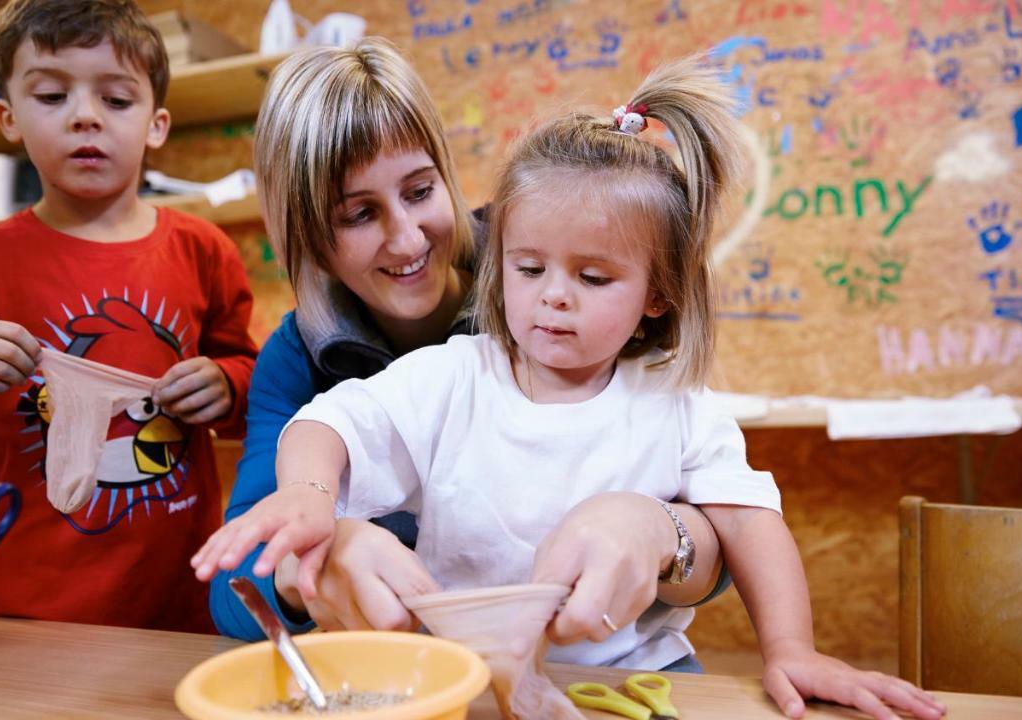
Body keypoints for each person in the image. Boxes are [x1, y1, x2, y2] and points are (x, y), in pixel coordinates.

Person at [193, 56, 948, 720]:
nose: (555, 296)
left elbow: (748, 526)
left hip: (641, 682)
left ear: (658, 294)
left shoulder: (672, 399)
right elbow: (325, 430)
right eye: (358, 215)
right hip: (467, 682)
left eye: (592, 278)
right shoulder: (447, 376)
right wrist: (310, 512)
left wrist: (786, 644)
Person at [208, 37, 727, 645]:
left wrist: (659, 529)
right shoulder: (297, 358)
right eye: (358, 215)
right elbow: (232, 591)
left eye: (421, 191)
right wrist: (312, 560)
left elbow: (720, 544)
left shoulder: (552, 296)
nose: (406, 240)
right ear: (309, 237)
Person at [0, 0, 256, 633]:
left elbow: (258, 393)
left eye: (118, 101)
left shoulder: (203, 250)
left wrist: (228, 384)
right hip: (31, 613)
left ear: (157, 124)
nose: (86, 117)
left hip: (187, 604)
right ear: (8, 118)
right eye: (51, 95)